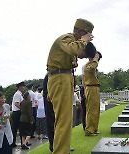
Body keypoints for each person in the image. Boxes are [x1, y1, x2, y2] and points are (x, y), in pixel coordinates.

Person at [46, 18, 94, 154]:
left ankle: (63, 149)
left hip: (63, 78)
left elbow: (73, 56)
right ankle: (60, 151)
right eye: (86, 34)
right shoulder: (66, 38)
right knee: (63, 119)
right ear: (79, 31)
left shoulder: (72, 41)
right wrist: (84, 40)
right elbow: (72, 49)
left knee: (65, 119)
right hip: (59, 78)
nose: (86, 40)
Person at [84, 50, 102, 136]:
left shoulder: (93, 65)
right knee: (91, 110)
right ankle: (89, 130)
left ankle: (94, 128)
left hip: (95, 87)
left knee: (96, 109)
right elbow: (92, 68)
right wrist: (95, 59)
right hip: (90, 88)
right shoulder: (88, 66)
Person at [43, 73, 55, 152]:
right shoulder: (51, 75)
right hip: (51, 103)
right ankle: (53, 145)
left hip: (52, 103)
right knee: (52, 123)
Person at [11, 81, 24, 147]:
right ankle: (20, 143)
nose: (23, 87)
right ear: (20, 87)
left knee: (16, 128)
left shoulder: (19, 94)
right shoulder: (17, 94)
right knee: (17, 128)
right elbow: (16, 103)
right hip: (17, 112)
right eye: (22, 86)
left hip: (17, 112)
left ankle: (22, 142)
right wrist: (22, 109)